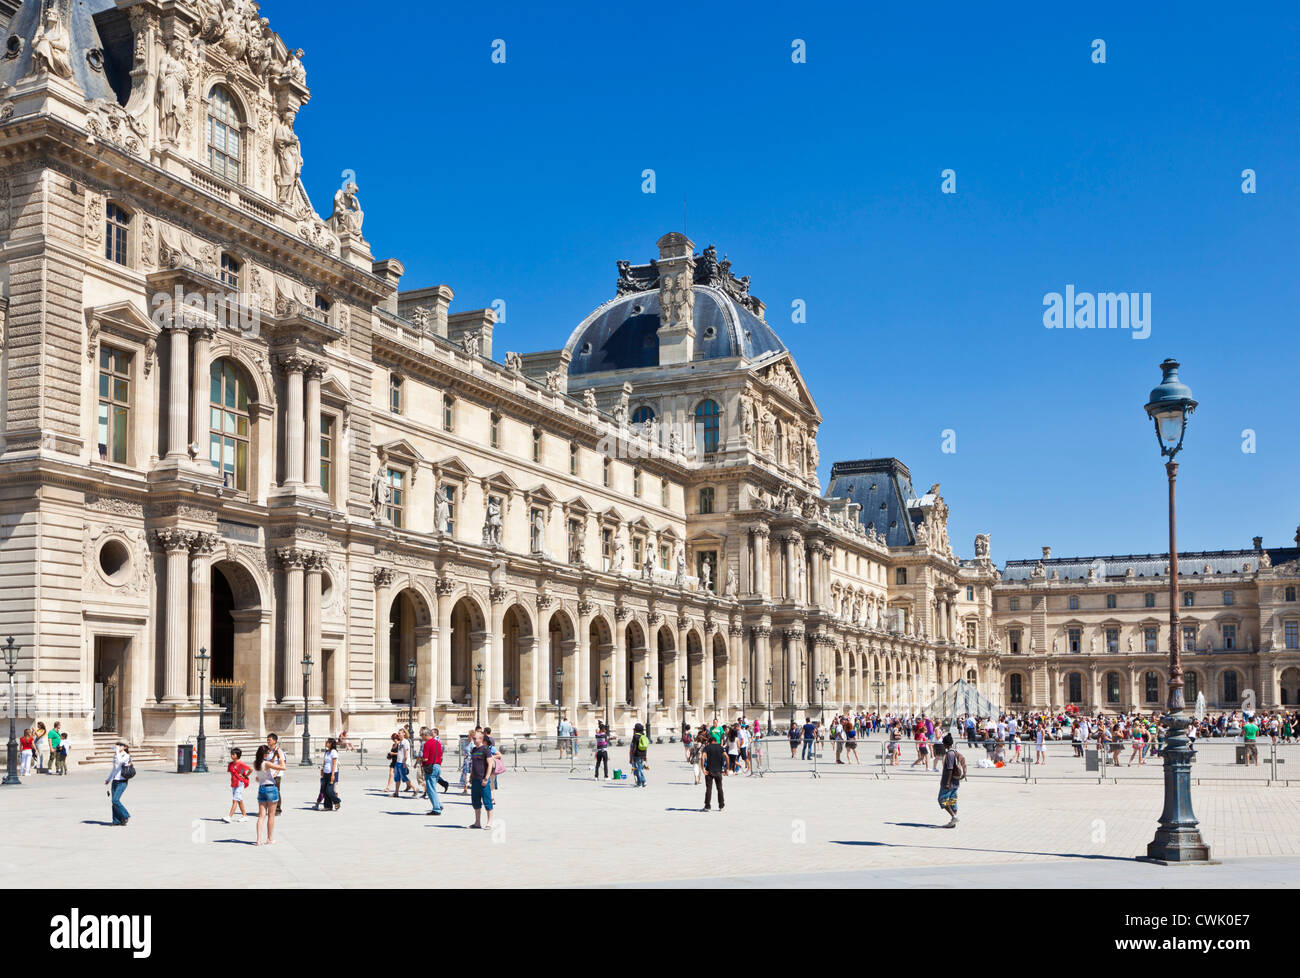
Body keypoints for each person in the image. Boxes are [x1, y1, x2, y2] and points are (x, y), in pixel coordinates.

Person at [253, 744, 284, 845]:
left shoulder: (256, 763)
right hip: (270, 788)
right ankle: (269, 838)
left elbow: (261, 774)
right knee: (271, 815)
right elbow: (283, 767)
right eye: (268, 753)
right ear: (264, 754)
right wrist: (280, 756)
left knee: (261, 816)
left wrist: (274, 757)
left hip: (261, 789)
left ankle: (258, 840)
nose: (269, 754)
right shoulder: (266, 763)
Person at [468, 730, 495, 829]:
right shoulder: (474, 750)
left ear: (481, 739)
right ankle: (477, 823)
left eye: (475, 738)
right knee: (475, 802)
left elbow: (490, 764)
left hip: (483, 779)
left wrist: (486, 778)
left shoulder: (485, 750)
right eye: (473, 738)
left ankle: (489, 823)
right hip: (475, 779)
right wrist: (471, 776)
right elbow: (473, 765)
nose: (474, 740)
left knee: (487, 801)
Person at [937, 733, 964, 828]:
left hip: (949, 782)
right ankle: (953, 822)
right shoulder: (955, 752)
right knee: (953, 801)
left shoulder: (949, 754)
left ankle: (954, 817)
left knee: (942, 799)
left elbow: (950, 769)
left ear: (945, 744)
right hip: (956, 781)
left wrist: (947, 783)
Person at [105, 741, 132, 826]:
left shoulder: (126, 756)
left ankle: (125, 815)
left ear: (125, 747)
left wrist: (117, 751)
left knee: (115, 800)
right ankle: (116, 821)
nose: (118, 746)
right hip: (115, 780)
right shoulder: (116, 755)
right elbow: (114, 769)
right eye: (118, 745)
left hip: (122, 781)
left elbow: (120, 761)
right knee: (114, 802)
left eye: (121, 745)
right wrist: (109, 779)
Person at [224, 747, 251, 822]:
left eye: (233, 754)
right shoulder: (231, 764)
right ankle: (245, 816)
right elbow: (234, 772)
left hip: (240, 784)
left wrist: (245, 776)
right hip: (234, 784)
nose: (232, 755)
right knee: (239, 800)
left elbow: (250, 769)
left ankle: (230, 817)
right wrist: (240, 773)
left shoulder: (240, 763)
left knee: (235, 800)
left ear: (237, 755)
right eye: (231, 754)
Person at [701, 730, 727, 811]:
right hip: (718, 771)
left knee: (709, 789)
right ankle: (721, 806)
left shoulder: (707, 747)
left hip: (709, 771)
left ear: (709, 742)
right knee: (720, 789)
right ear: (715, 741)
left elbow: (702, 757)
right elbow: (727, 757)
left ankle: (707, 806)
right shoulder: (720, 747)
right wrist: (727, 768)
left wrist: (703, 769)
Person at [422, 728, 444, 815]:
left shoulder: (427, 744)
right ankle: (438, 804)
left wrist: (420, 760)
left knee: (430, 789)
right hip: (437, 766)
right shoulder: (438, 743)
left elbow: (425, 758)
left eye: (422, 735)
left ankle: (436, 809)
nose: (422, 737)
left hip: (430, 767)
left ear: (426, 735)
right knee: (433, 788)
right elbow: (441, 756)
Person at [265, 733, 286, 816]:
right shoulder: (268, 751)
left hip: (276, 775)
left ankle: (277, 810)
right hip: (269, 774)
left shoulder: (279, 751)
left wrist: (276, 773)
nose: (268, 741)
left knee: (276, 792)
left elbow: (282, 763)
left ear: (274, 741)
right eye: (267, 740)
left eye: (269, 740)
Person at [318, 738, 341, 811]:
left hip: (332, 773)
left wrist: (333, 775)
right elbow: (325, 762)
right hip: (326, 772)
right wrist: (322, 769)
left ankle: (337, 801)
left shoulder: (334, 752)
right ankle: (328, 806)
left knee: (329, 790)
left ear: (331, 743)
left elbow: (334, 764)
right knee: (325, 790)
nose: (326, 743)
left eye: (327, 742)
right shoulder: (327, 752)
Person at [393, 728, 416, 797]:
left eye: (400, 733)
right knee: (397, 777)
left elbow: (406, 753)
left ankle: (415, 789)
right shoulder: (400, 742)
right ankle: (396, 792)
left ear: (404, 733)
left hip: (403, 762)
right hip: (398, 761)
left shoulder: (406, 742)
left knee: (404, 777)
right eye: (398, 733)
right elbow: (400, 752)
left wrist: (404, 762)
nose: (398, 734)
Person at [629, 722, 649, 787]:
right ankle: (643, 782)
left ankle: (640, 782)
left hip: (637, 754)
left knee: (637, 769)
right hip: (643, 754)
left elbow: (634, 747)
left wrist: (632, 756)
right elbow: (645, 747)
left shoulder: (635, 736)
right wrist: (645, 756)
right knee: (640, 768)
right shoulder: (644, 735)